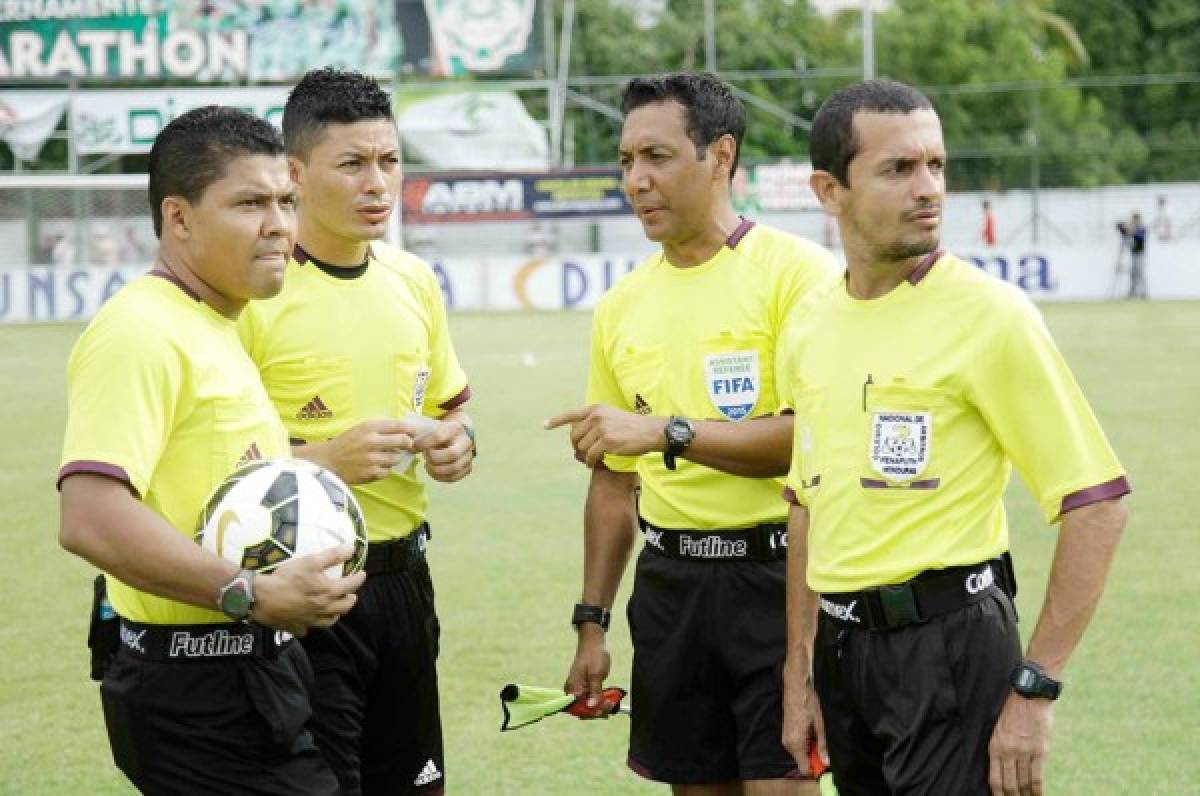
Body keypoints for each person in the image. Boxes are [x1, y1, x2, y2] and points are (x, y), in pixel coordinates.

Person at [778, 79, 1130, 796]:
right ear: (828, 189)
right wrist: (800, 670)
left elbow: (1097, 504)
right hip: (842, 655)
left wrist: (1035, 689)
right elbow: (805, 500)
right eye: (898, 169)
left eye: (935, 165)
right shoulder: (809, 321)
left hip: (950, 646)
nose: (928, 188)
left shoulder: (991, 316)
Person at [57, 105, 365, 794]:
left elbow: (219, 473)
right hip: (195, 685)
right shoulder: (140, 332)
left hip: (250, 668)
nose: (279, 225)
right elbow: (89, 515)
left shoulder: (217, 322)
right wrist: (249, 594)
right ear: (180, 218)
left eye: (286, 201)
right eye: (250, 203)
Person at [545, 72, 837, 795]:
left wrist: (663, 432)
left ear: (721, 156)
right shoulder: (621, 305)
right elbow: (613, 482)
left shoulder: (798, 276)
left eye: (658, 157)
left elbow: (814, 440)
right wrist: (591, 622)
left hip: (777, 581)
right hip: (672, 587)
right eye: (626, 162)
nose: (637, 180)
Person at [238, 67, 475, 796]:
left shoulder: (413, 280)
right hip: (302, 592)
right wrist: (320, 461)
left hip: (403, 584)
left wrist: (456, 443)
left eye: (389, 161)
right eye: (353, 164)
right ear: (296, 173)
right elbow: (210, 465)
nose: (378, 183)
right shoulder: (253, 297)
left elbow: (451, 409)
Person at [1128, 212, 1148, 299]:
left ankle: (1144, 293)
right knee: (1133, 274)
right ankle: (1133, 293)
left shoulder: (1142, 228)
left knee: (1140, 274)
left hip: (1140, 254)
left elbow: (1137, 234)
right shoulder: (1134, 228)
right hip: (1134, 254)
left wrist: (1131, 227)